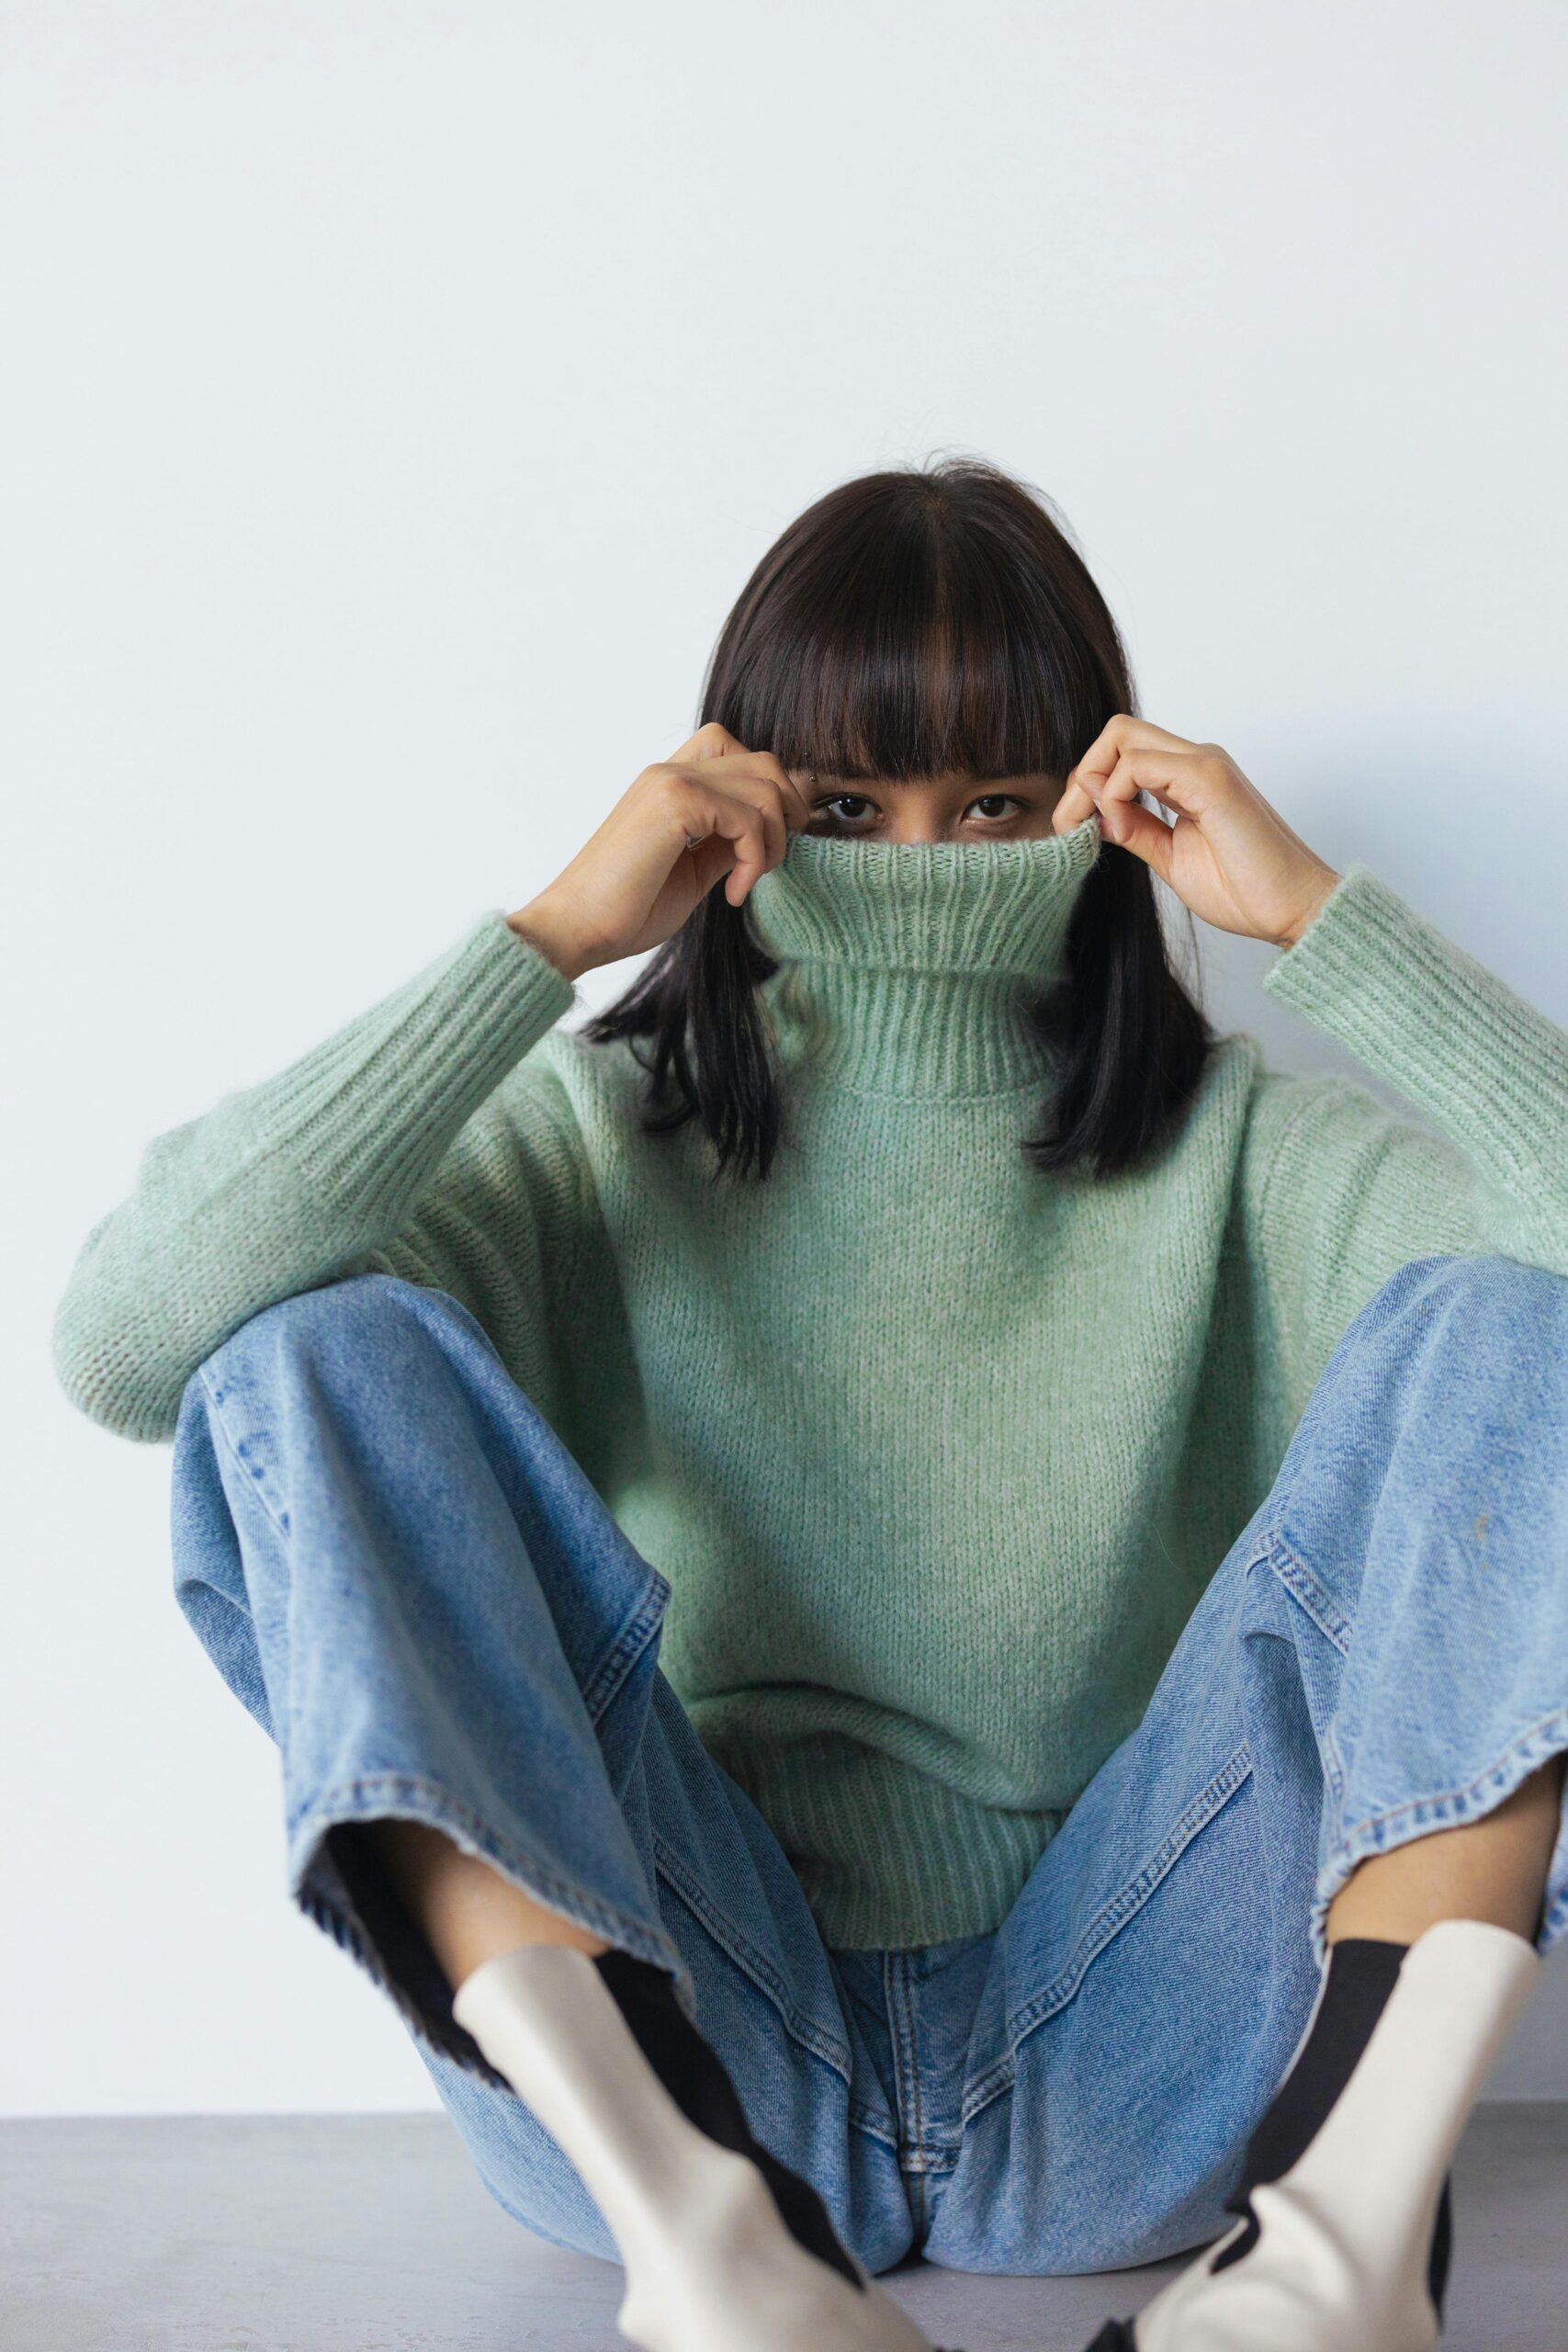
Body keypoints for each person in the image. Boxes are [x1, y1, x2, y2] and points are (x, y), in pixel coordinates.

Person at [53, 457, 1568, 2352]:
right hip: (680, 2047)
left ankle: (1336, 2251)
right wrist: (543, 941)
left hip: (1143, 2058)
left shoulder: (1240, 1149)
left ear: (1099, 810)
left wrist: (1321, 922)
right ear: (740, 810)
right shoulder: (595, 1147)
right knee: (303, 1346)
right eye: (847, 805)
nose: (919, 866)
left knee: (1520, 1320)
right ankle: (703, 2231)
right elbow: (129, 1339)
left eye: (994, 803)